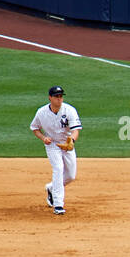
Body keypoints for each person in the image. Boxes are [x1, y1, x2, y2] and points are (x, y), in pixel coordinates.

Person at [30, 85, 81, 215]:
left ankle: (51, 188)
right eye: (56, 96)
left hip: (66, 144)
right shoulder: (41, 112)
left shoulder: (69, 110)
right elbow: (34, 128)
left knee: (71, 176)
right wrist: (43, 138)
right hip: (52, 145)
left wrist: (72, 141)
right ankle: (58, 204)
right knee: (58, 169)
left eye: (61, 96)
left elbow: (76, 130)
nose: (59, 99)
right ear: (50, 98)